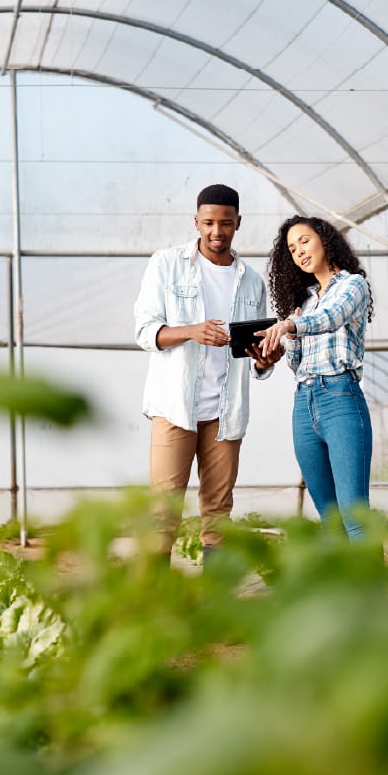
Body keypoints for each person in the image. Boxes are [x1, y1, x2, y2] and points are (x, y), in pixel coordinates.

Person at [134, 184, 283, 563]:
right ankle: (155, 601)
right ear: (196, 222)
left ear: (238, 224)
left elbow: (256, 360)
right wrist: (191, 331)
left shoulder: (251, 280)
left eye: (226, 223)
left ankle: (216, 604)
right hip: (175, 408)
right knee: (162, 510)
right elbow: (145, 332)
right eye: (208, 223)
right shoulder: (167, 264)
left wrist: (266, 358)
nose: (217, 231)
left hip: (225, 412)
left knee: (219, 513)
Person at [257, 215, 373, 542]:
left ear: (325, 239)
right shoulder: (306, 303)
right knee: (330, 518)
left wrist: (292, 326)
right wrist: (286, 338)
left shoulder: (352, 285)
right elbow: (297, 363)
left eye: (304, 241)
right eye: (292, 249)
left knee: (355, 517)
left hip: (340, 398)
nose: (299, 252)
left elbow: (331, 317)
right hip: (304, 405)